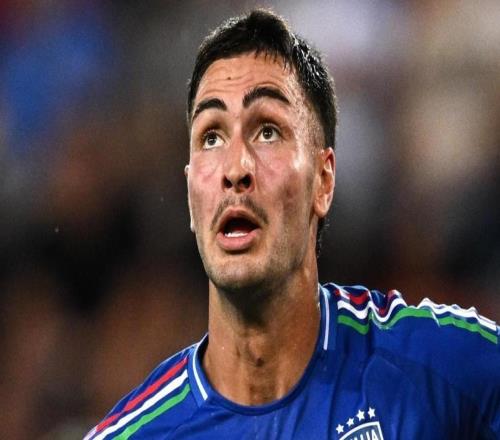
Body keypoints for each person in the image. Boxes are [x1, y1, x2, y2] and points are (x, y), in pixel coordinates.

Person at [85, 9, 500, 440]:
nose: (235, 169)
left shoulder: (437, 370)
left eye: (267, 132)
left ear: (323, 181)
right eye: (211, 136)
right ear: (191, 192)